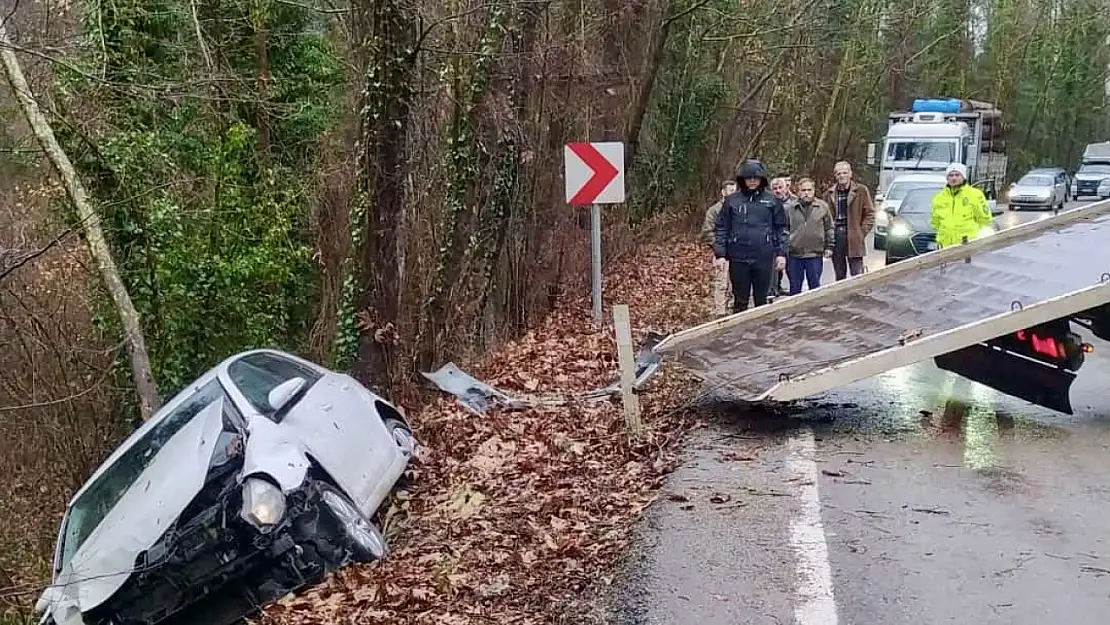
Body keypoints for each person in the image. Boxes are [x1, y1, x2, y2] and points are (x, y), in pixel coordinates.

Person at [714, 160, 787, 313]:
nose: (752, 181)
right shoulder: (732, 201)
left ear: (762, 179)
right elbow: (722, 227)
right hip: (738, 257)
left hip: (763, 256)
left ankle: (762, 334)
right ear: (743, 179)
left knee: (762, 300)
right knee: (740, 300)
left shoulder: (772, 201)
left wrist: (781, 253)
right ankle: (739, 334)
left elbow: (780, 228)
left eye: (756, 178)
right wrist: (720, 254)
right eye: (749, 178)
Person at [823, 161, 875, 280]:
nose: (842, 176)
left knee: (857, 274)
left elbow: (870, 214)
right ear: (835, 176)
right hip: (836, 236)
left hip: (854, 234)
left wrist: (861, 232)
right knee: (839, 274)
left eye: (845, 173)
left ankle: (859, 296)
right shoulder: (829, 194)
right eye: (838, 173)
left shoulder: (861, 191)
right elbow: (825, 217)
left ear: (850, 174)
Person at [786, 178, 834, 294]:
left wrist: (829, 246)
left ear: (814, 191)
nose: (806, 193)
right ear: (798, 192)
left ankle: (815, 311)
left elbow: (829, 228)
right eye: (803, 190)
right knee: (795, 288)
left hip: (814, 254)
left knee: (815, 288)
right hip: (794, 255)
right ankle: (794, 312)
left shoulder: (822, 207)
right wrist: (784, 249)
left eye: (809, 190)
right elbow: (784, 230)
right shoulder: (790, 209)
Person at [930, 162, 993, 248]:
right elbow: (935, 222)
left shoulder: (975, 195)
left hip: (967, 246)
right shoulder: (939, 198)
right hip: (944, 247)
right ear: (947, 178)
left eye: (957, 175)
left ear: (963, 177)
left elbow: (984, 219)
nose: (954, 178)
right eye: (951, 175)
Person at [701, 179, 738, 316]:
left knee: (738, 282)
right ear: (723, 192)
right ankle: (720, 312)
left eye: (735, 191)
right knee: (721, 283)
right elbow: (707, 232)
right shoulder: (714, 210)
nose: (733, 194)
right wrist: (720, 247)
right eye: (730, 191)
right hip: (721, 253)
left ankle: (736, 310)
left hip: (738, 252)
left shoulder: (739, 208)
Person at [768, 176, 796, 298]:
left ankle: (795, 289)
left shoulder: (793, 203)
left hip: (791, 237)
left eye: (780, 188)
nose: (778, 191)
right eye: (775, 189)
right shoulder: (768, 204)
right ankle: (775, 288)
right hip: (775, 239)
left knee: (791, 267)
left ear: (786, 188)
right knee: (775, 268)